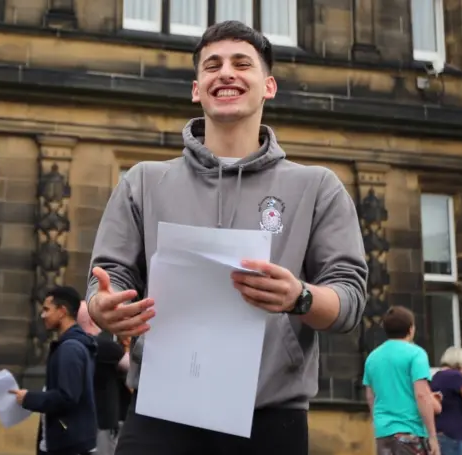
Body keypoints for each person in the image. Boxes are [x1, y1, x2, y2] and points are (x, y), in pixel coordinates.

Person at [85, 20, 368, 455]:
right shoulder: (143, 181)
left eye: (242, 63)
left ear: (268, 86)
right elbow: (109, 277)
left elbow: (349, 300)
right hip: (160, 411)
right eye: (212, 65)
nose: (226, 73)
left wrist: (300, 297)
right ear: (197, 89)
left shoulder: (318, 187)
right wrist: (104, 307)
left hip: (271, 416)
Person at [10, 287, 98, 455]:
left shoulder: (70, 348)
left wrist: (28, 398)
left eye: (46, 309)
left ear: (62, 311)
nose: (43, 315)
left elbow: (67, 396)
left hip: (68, 445)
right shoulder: (72, 345)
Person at [363, 306, 442, 455]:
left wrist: (380, 424)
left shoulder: (372, 357)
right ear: (411, 329)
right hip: (411, 432)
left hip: (383, 434)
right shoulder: (416, 354)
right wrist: (432, 436)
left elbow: (370, 396)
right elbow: (421, 395)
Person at [77, 300, 130, 455]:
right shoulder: (106, 347)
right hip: (103, 422)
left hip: (80, 421)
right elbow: (134, 368)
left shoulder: (74, 343)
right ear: (94, 319)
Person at [430, 347, 462, 455]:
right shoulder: (455, 375)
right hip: (452, 434)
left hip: (438, 431)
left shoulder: (436, 376)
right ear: (461, 364)